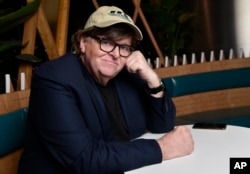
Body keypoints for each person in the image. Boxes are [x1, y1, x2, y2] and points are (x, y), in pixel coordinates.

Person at [18, 6, 194, 174]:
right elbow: (84, 159)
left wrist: (152, 78)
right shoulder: (54, 78)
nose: (116, 54)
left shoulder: (127, 74)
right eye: (107, 42)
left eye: (124, 47)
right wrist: (162, 148)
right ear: (83, 43)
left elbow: (162, 126)